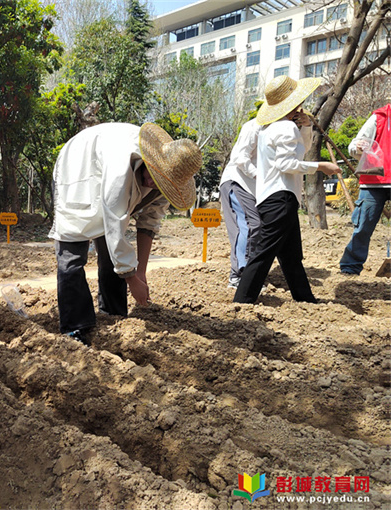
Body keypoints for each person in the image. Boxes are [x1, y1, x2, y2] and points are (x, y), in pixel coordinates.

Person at [48, 122, 202, 344]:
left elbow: (149, 224)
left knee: (113, 256)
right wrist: (131, 279)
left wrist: (141, 272)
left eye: (160, 183)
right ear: (150, 161)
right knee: (71, 253)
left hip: (106, 176)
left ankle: (114, 313)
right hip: (79, 166)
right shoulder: (120, 168)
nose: (152, 183)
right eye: (154, 175)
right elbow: (115, 225)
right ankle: (75, 326)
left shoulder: (169, 182)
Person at [233, 76, 340, 304]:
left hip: (273, 198)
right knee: (264, 253)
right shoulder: (286, 127)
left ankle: (305, 299)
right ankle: (242, 300)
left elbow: (300, 150)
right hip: (281, 197)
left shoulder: (271, 129)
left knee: (291, 256)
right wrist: (320, 166)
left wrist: (306, 126)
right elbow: (287, 164)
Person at [339, 102, 391, 275]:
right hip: (373, 181)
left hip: (374, 182)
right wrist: (359, 147)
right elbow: (353, 146)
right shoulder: (379, 117)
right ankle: (350, 268)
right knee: (362, 227)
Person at [219, 119, 262, 288]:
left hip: (256, 188)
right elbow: (239, 157)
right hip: (238, 181)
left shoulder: (287, 128)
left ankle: (249, 273)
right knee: (250, 225)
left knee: (258, 227)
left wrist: (306, 128)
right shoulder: (255, 126)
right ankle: (238, 275)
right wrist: (260, 176)